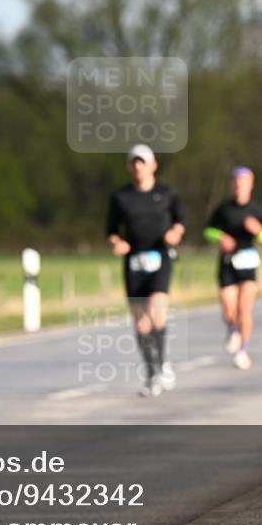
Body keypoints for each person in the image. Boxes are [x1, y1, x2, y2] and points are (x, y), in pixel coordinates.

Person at [106, 144, 186, 397]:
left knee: (157, 313)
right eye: (134, 162)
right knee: (141, 324)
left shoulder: (167, 193)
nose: (138, 167)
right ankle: (151, 372)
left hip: (160, 257)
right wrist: (117, 243)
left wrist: (175, 233)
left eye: (143, 162)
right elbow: (110, 230)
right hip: (134, 262)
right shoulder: (121, 197)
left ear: (153, 165)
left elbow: (181, 220)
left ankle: (161, 365)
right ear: (129, 166)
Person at [204, 167, 262, 370]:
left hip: (248, 262)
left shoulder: (258, 210)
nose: (239, 185)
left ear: (251, 185)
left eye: (244, 182)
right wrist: (220, 237)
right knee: (228, 309)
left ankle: (242, 349)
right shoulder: (223, 209)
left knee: (244, 309)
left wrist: (258, 231)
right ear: (232, 184)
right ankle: (232, 328)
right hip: (227, 261)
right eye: (236, 182)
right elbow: (208, 231)